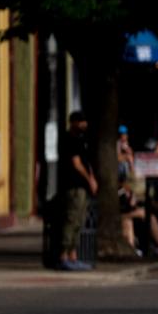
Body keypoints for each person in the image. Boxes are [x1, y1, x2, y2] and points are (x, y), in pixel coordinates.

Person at [57, 110, 97, 271]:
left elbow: (86, 162)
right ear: (73, 122)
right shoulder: (69, 139)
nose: (84, 125)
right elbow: (77, 163)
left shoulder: (82, 140)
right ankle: (63, 256)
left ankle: (73, 255)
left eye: (84, 121)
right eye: (80, 122)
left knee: (79, 221)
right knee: (71, 219)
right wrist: (89, 179)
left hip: (82, 187)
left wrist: (92, 179)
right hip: (73, 186)